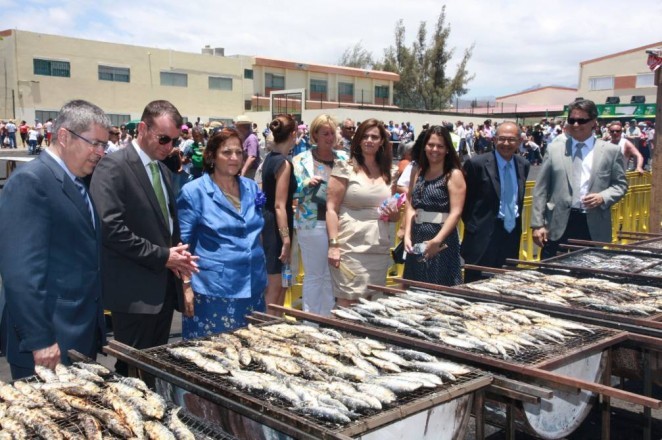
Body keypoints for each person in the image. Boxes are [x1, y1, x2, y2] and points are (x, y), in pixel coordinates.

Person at [0, 99, 109, 379]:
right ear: (64, 136)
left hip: (78, 334)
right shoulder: (32, 182)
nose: (100, 152)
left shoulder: (76, 180)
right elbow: (21, 273)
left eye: (104, 145)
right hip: (48, 344)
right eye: (95, 143)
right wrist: (40, 339)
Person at [90, 100, 199, 376]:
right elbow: (110, 228)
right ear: (142, 129)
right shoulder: (114, 166)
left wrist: (183, 276)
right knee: (132, 373)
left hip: (163, 292)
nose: (169, 146)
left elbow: (168, 230)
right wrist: (163, 257)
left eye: (174, 140)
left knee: (153, 370)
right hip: (134, 294)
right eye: (163, 138)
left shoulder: (162, 170)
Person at [177, 129, 267, 337]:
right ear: (212, 156)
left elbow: (256, 233)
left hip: (253, 286)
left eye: (238, 152)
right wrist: (186, 286)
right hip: (214, 291)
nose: (234, 158)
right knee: (213, 351)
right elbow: (182, 245)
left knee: (251, 348)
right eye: (227, 152)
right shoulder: (194, 192)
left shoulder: (252, 188)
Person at [531, 99, 628, 259]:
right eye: (572, 120)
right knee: (550, 270)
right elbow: (541, 189)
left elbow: (620, 185)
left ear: (593, 122)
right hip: (557, 225)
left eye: (581, 120)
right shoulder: (555, 149)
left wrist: (603, 197)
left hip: (592, 225)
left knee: (588, 271)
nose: (576, 125)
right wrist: (537, 224)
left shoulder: (611, 151)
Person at [326, 118, 399, 307]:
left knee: (372, 301)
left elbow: (394, 216)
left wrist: (394, 213)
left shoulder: (390, 172)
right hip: (350, 245)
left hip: (378, 246)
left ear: (382, 141)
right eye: (365, 136)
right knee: (347, 300)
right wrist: (333, 245)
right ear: (358, 140)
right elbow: (331, 208)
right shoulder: (345, 167)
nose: (369, 140)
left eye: (374, 137)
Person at [293, 114, 348, 316]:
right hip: (312, 222)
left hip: (339, 222)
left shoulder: (343, 158)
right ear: (315, 135)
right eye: (325, 133)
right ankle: (311, 320)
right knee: (315, 275)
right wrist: (306, 184)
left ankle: (326, 318)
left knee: (330, 275)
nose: (330, 137)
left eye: (332, 133)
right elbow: (292, 192)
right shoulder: (300, 160)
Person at [461, 122, 530, 283]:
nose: (506, 143)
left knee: (507, 282)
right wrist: (474, 226)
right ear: (494, 139)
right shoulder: (477, 164)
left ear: (519, 141)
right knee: (476, 283)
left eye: (511, 139)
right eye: (502, 139)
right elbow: (465, 202)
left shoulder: (523, 165)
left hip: (511, 233)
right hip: (482, 235)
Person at [401, 125, 465, 286]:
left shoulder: (453, 175)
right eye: (430, 145)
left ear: (447, 149)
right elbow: (410, 205)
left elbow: (456, 212)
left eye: (440, 146)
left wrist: (437, 241)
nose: (434, 149)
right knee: (413, 287)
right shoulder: (417, 171)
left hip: (441, 240)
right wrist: (407, 235)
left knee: (439, 287)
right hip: (417, 237)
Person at [261, 114, 297, 314]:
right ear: (293, 134)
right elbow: (279, 205)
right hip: (276, 226)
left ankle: (274, 322)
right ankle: (267, 325)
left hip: (270, 222)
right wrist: (286, 239)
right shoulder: (283, 163)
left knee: (280, 283)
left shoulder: (270, 158)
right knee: (275, 286)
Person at [236, 115, 260, 179]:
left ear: (242, 127)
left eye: (237, 127)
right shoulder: (243, 138)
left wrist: (243, 172)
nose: (236, 129)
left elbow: (252, 157)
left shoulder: (251, 138)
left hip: (251, 172)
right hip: (245, 171)